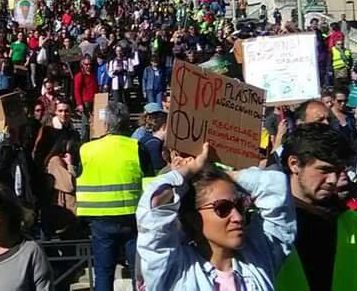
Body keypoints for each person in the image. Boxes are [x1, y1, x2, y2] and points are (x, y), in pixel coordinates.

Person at [137, 144, 296, 290]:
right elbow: (154, 203)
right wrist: (191, 169)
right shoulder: (173, 268)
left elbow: (276, 188)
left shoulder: (259, 256)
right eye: (223, 208)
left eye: (240, 206)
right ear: (194, 219)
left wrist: (221, 174)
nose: (238, 217)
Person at [278, 123, 357, 290]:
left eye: (338, 171)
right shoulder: (266, 222)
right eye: (324, 170)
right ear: (294, 164)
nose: (332, 180)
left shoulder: (351, 222)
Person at [75, 102, 153, 291]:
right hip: (133, 219)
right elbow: (150, 184)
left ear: (106, 125)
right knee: (139, 274)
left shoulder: (86, 149)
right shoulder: (137, 147)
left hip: (100, 220)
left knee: (103, 273)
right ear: (127, 124)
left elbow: (78, 177)